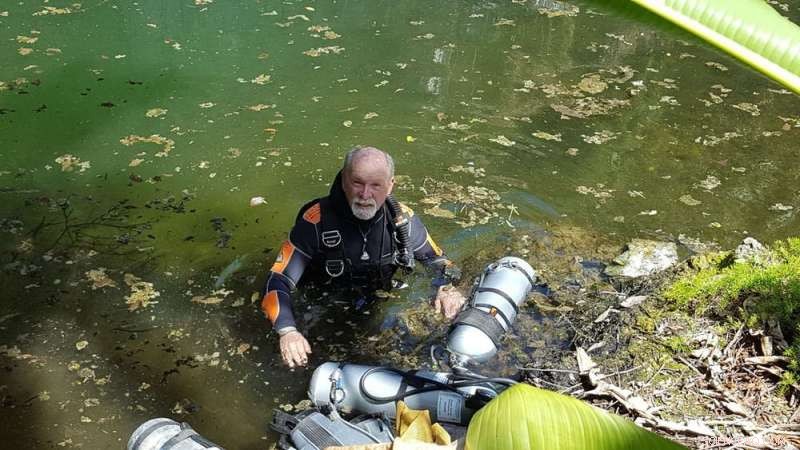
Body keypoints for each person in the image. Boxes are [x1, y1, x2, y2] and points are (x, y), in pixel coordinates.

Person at [261, 146, 467, 368]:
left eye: (376, 185)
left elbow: (438, 260)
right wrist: (288, 331)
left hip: (379, 307)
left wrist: (447, 288)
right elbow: (277, 280)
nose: (365, 194)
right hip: (321, 309)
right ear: (343, 181)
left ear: (390, 186)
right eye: (357, 183)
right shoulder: (315, 222)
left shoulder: (402, 220)